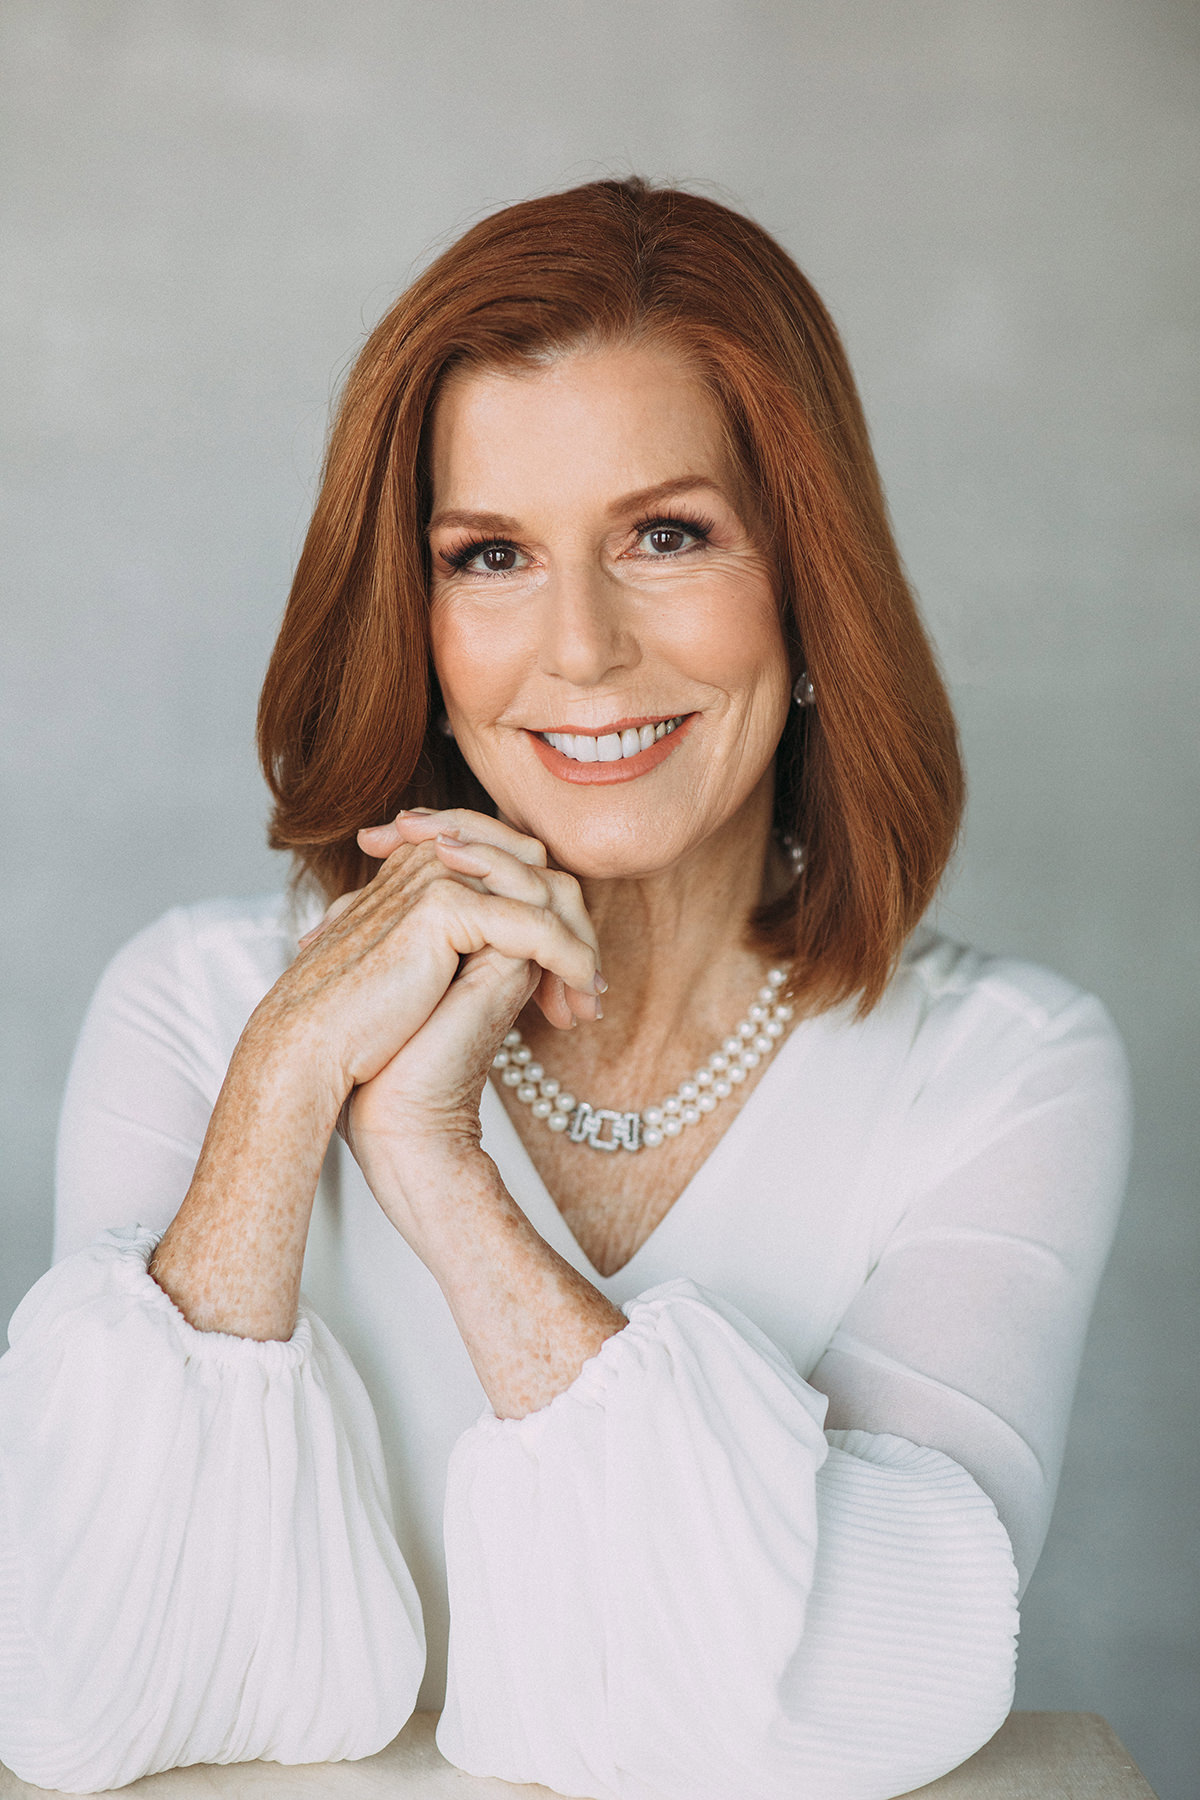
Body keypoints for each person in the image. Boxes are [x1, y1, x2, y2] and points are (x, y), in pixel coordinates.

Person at [0, 178, 1130, 1799]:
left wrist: (439, 1174)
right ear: (424, 618)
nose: (582, 649)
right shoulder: (197, 1006)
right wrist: (279, 1097)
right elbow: (78, 1689)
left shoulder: (1005, 1068)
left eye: (667, 536)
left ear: (809, 588)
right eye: (491, 555)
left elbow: (879, 1682)